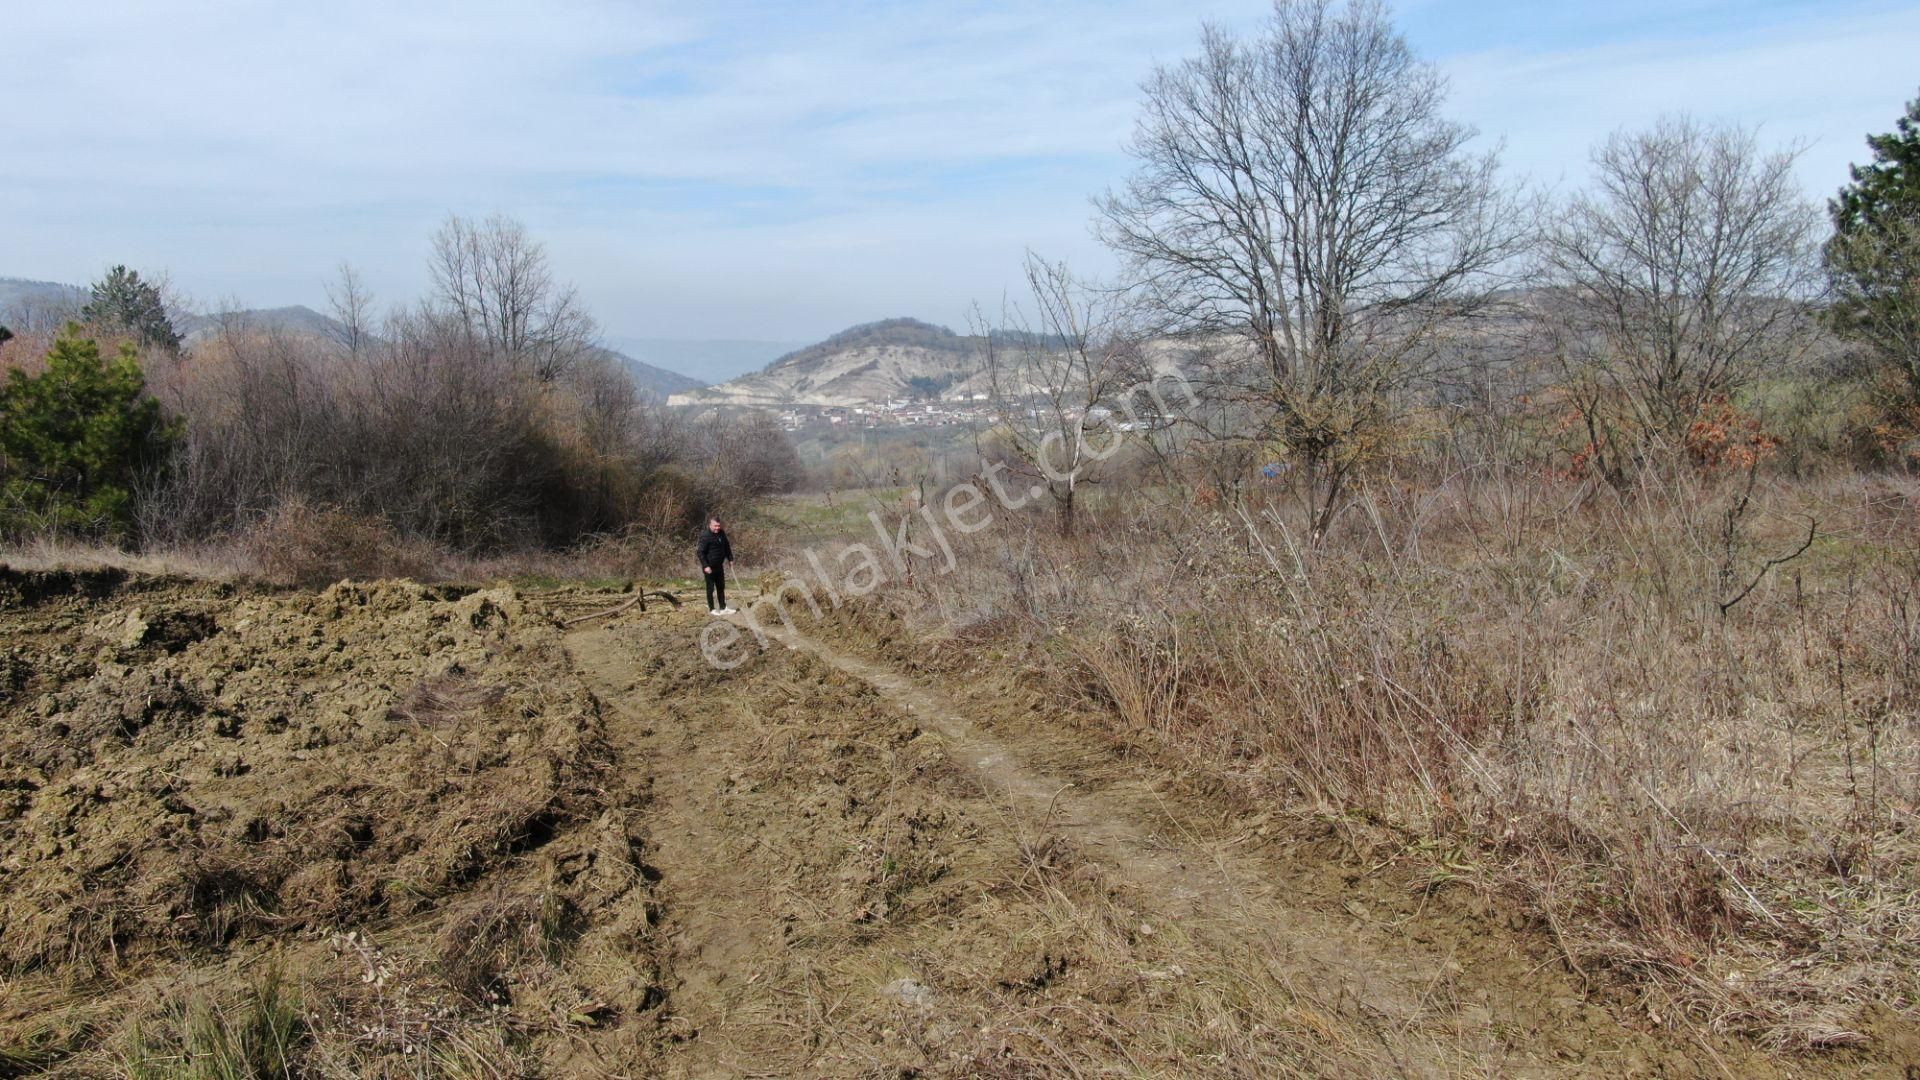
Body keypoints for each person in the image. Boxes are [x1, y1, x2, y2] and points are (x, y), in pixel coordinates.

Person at [698, 517, 735, 614]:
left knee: (721, 587)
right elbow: (700, 552)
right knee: (710, 588)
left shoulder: (721, 533)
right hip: (709, 567)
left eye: (719, 525)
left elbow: (726, 546)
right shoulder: (705, 536)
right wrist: (705, 566)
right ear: (710, 525)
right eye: (715, 526)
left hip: (719, 565)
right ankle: (712, 609)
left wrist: (730, 558)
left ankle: (723, 608)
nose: (717, 528)